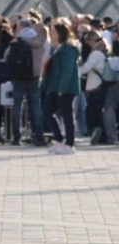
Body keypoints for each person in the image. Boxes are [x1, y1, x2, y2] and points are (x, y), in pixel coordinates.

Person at [43, 23, 81, 155]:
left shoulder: (67, 50)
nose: (51, 34)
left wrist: (62, 88)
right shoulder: (57, 49)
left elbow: (67, 71)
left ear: (60, 34)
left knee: (66, 115)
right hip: (54, 86)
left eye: (53, 31)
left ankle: (70, 143)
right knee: (48, 112)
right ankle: (59, 139)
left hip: (65, 88)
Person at [6, 22, 46, 146]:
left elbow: (6, 56)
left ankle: (16, 136)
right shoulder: (39, 42)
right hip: (34, 77)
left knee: (17, 107)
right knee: (36, 107)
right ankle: (38, 135)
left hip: (18, 78)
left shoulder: (16, 41)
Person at [78, 29, 108, 145]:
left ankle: (100, 135)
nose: (88, 45)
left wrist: (74, 70)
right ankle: (102, 135)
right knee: (96, 112)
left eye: (89, 42)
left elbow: (86, 68)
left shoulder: (95, 54)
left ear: (92, 40)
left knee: (94, 112)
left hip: (95, 86)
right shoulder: (102, 52)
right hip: (98, 85)